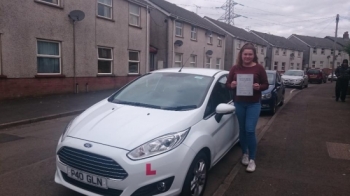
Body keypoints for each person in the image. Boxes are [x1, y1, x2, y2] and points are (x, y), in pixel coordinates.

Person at [226, 43, 269, 172]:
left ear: (254, 55)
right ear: (241, 55)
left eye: (250, 54)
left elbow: (266, 84)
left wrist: (259, 87)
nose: (247, 56)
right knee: (243, 130)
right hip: (239, 103)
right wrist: (232, 85)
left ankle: (252, 159)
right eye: (245, 54)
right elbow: (227, 84)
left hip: (253, 103)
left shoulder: (259, 68)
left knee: (250, 130)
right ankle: (244, 153)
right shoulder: (235, 68)